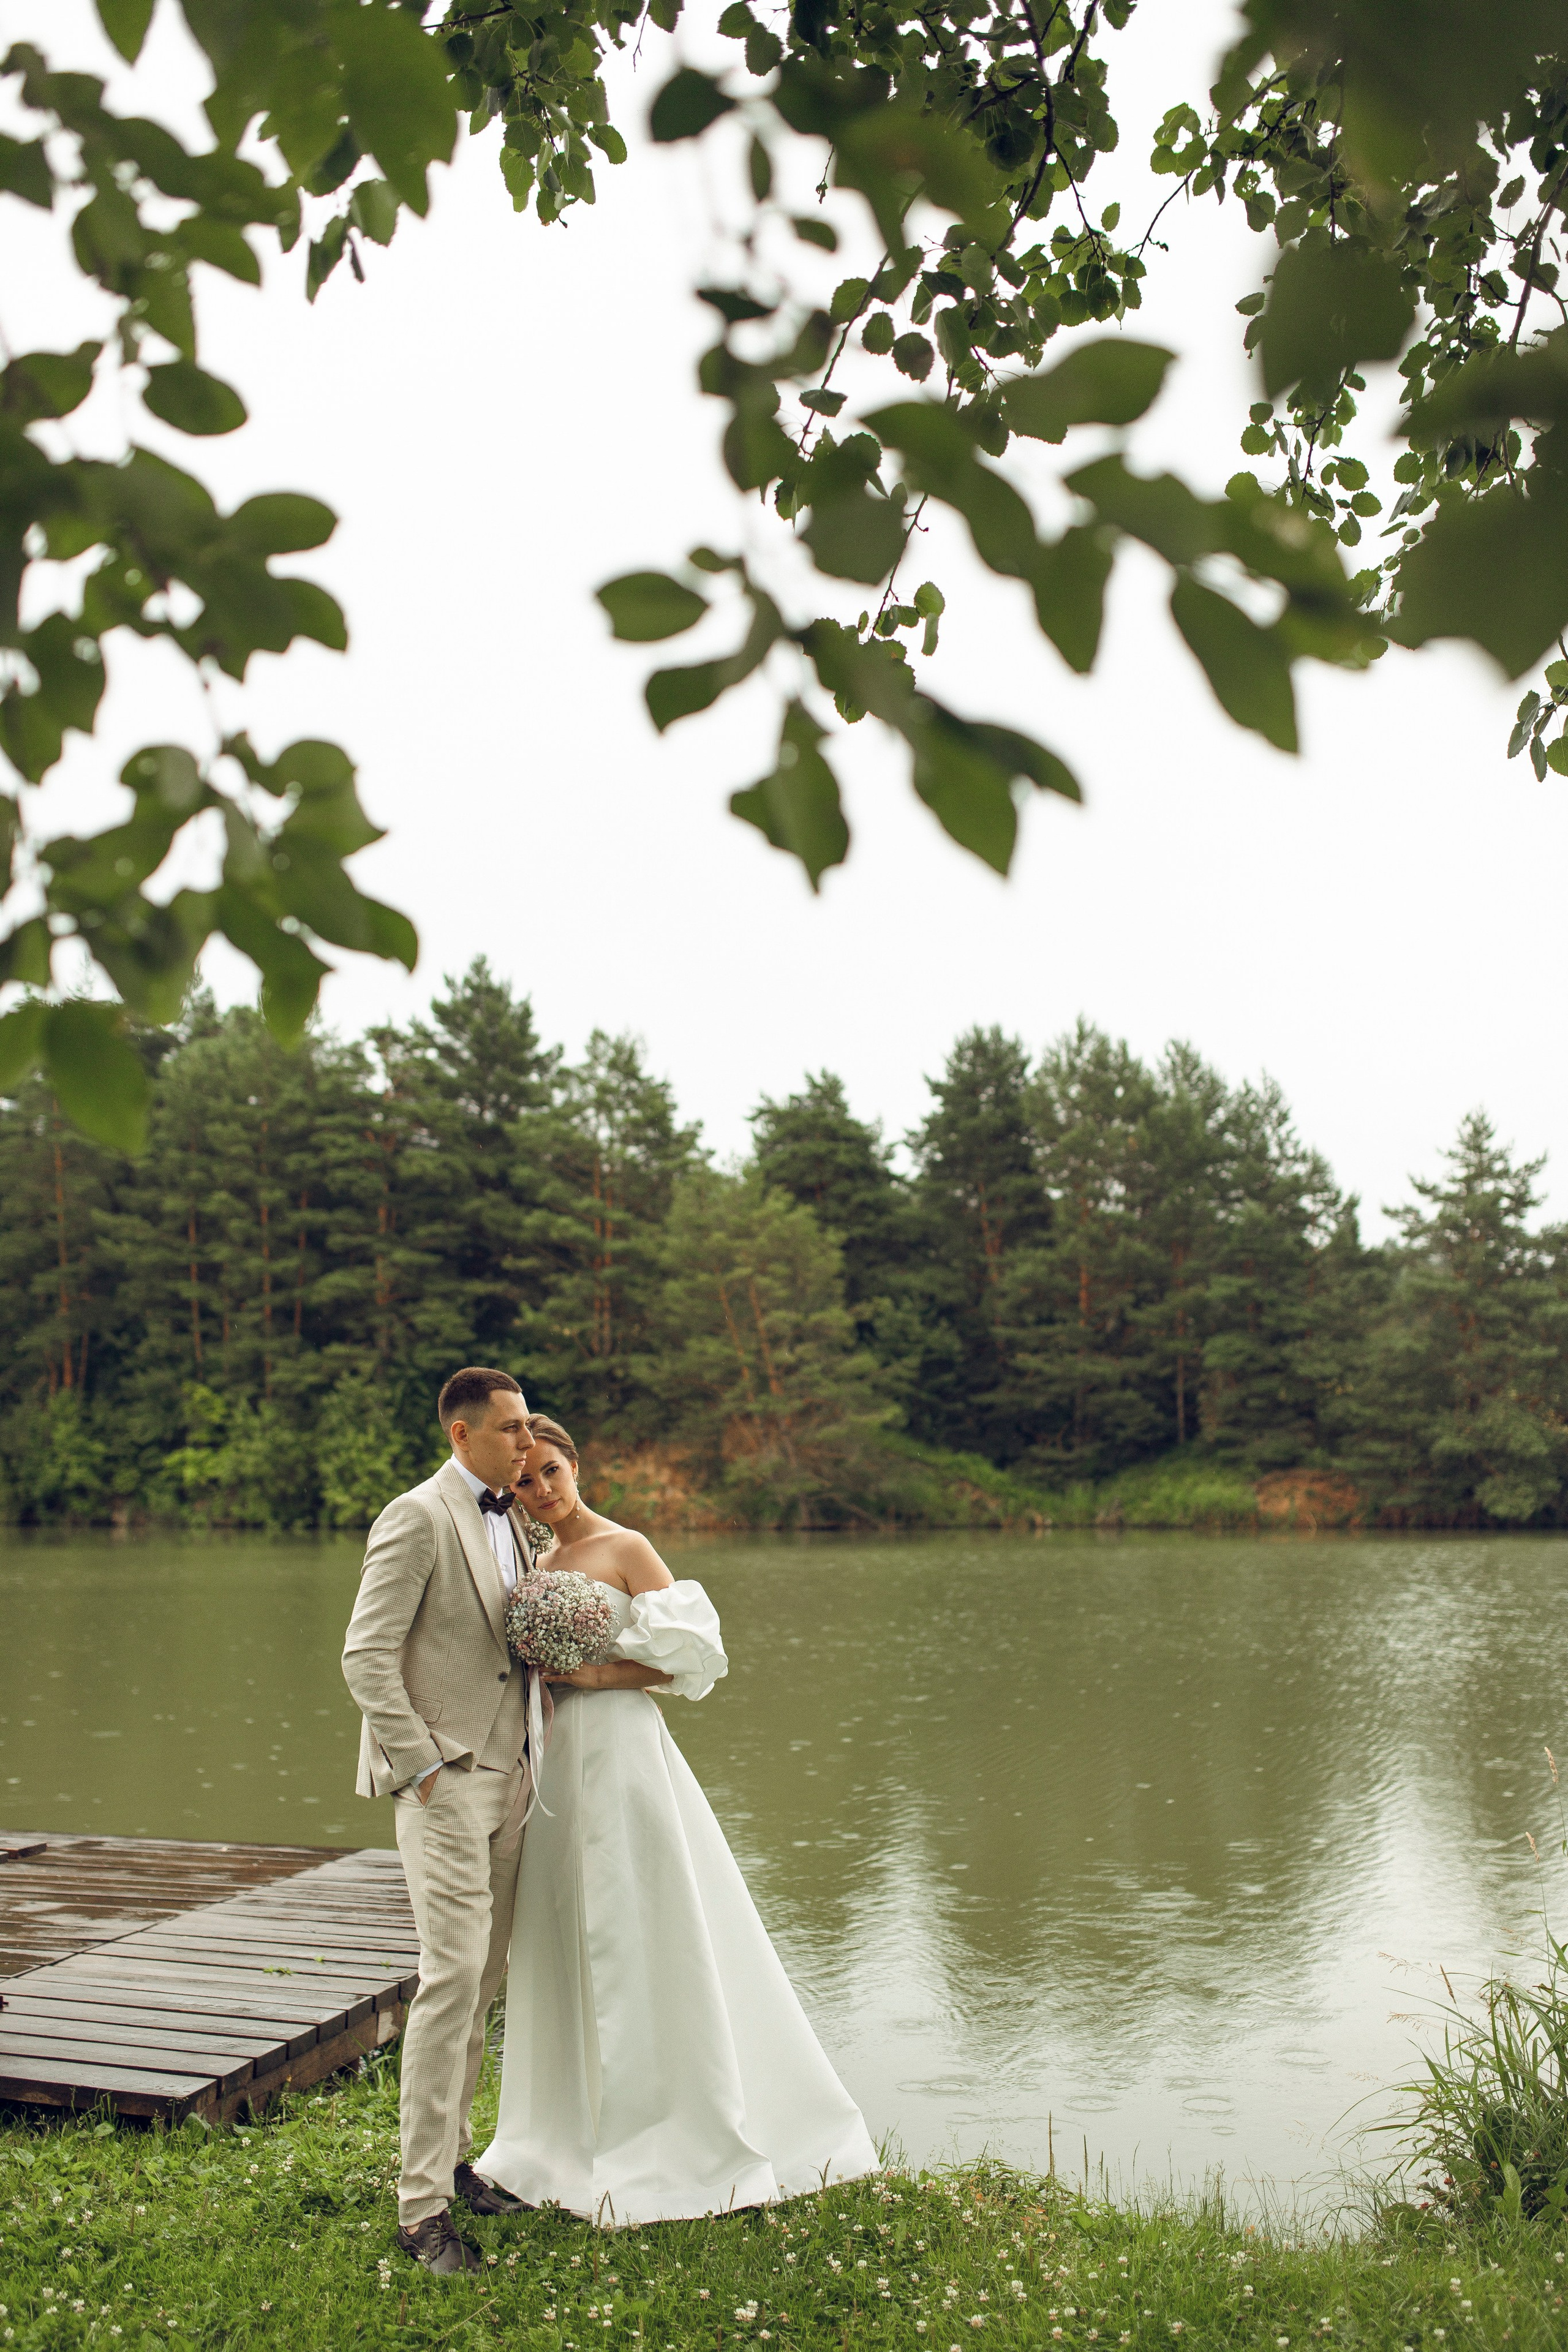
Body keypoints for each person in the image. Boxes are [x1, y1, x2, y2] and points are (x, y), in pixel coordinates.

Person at [473, 1413, 880, 2226]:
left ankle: (679, 2138)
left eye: (551, 1471)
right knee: (563, 1932)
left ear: (576, 1465)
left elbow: (688, 1659)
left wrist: (592, 1675)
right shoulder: (533, 1560)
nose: (541, 1490)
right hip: (554, 1762)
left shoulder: (626, 1548)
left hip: (621, 1753)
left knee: (643, 1922)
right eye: (524, 1480)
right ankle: (558, 2141)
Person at [341, 1368, 668, 2274]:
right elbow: (366, 1656)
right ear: (463, 1434)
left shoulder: (520, 1523)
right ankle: (421, 2214)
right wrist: (426, 1769)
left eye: (531, 1429)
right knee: (449, 1982)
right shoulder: (416, 1517)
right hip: (447, 1784)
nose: (529, 1443)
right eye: (514, 1429)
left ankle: (453, 2161)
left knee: (484, 1982)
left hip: (518, 1776)